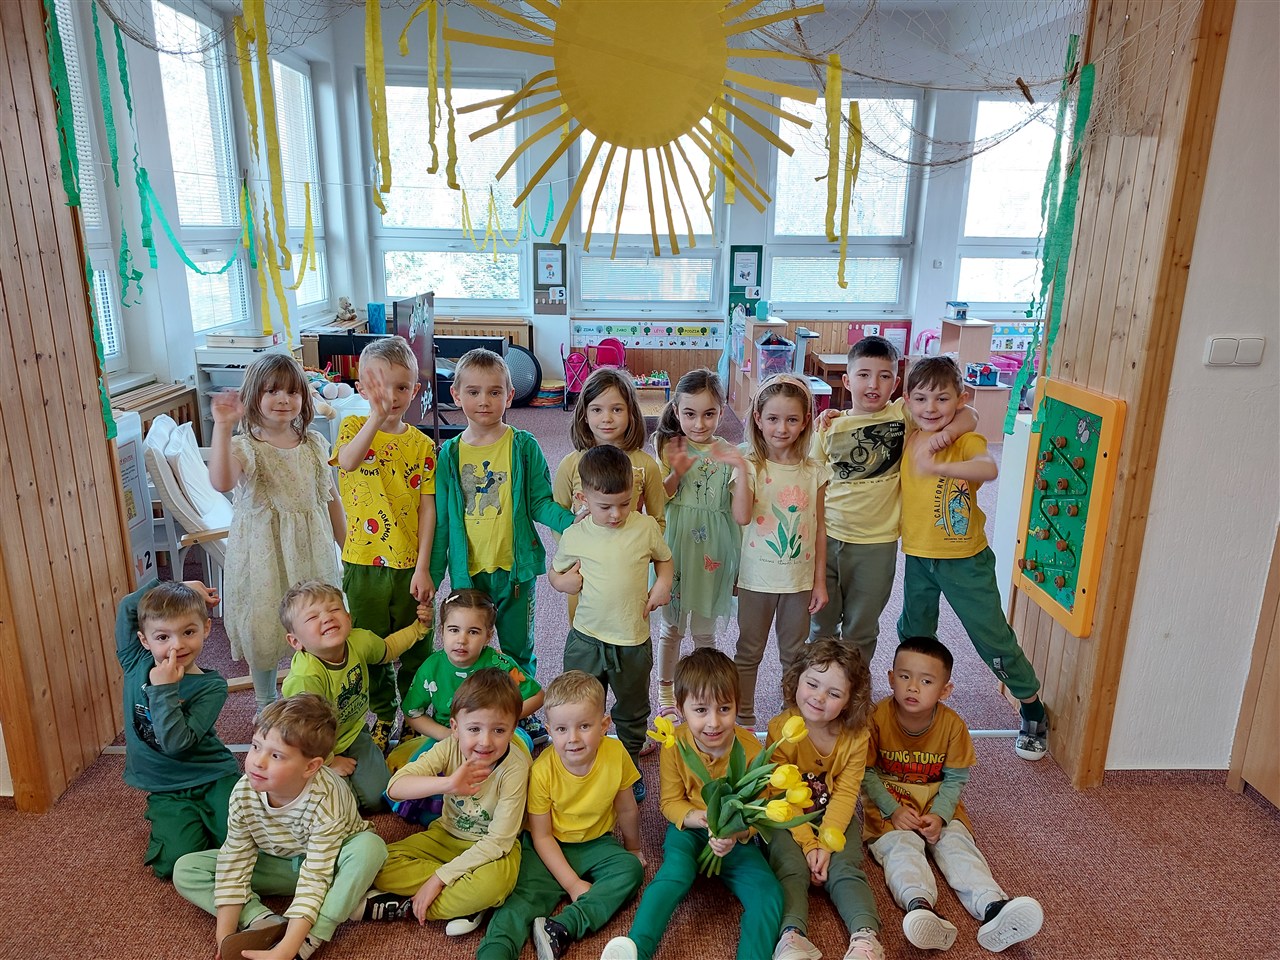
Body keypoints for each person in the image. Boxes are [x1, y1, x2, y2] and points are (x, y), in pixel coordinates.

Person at [897, 356, 1048, 759]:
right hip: (918, 557)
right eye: (921, 399)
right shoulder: (910, 429)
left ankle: (1032, 706)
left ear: (960, 398)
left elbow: (987, 467)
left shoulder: (963, 440)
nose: (931, 408)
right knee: (914, 633)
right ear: (908, 400)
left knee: (991, 636)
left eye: (943, 399)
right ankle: (916, 707)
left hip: (965, 560)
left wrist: (942, 460)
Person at [173, 693, 388, 960]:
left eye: (276, 755)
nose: (257, 761)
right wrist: (225, 938)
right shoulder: (244, 791)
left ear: (311, 767)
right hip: (280, 865)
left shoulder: (327, 797)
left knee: (371, 848)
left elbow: (315, 875)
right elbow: (235, 860)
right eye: (255, 746)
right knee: (186, 869)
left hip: (331, 863)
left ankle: (313, 933)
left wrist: (288, 949)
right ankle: (263, 919)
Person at [863, 637, 1044, 952]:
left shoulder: (953, 726)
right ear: (891, 678)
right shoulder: (875, 718)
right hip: (889, 810)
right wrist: (893, 809)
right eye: (904, 677)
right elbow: (864, 772)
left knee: (957, 847)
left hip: (938, 805)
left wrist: (940, 814)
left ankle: (993, 906)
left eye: (926, 681)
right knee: (901, 850)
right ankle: (920, 907)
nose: (913, 687)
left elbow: (956, 777)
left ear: (945, 690)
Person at [600, 648, 783, 960]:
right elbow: (670, 802)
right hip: (689, 829)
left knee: (769, 893)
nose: (714, 722)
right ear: (681, 708)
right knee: (673, 875)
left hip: (733, 838)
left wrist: (735, 833)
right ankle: (636, 949)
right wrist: (702, 818)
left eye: (724, 708)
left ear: (738, 705)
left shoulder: (752, 750)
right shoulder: (674, 743)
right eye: (700, 710)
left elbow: (759, 809)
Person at [430, 347, 575, 741]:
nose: (484, 401)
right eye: (473, 392)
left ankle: (521, 710)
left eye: (494, 392)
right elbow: (442, 523)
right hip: (468, 575)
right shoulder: (449, 454)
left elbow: (540, 502)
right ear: (456, 395)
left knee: (516, 647)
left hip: (515, 571)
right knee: (469, 645)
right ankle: (476, 712)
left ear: (510, 396)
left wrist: (575, 523)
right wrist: (432, 577)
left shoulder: (524, 446)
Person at [810, 336, 977, 667]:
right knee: (821, 625)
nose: (873, 384)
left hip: (876, 544)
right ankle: (817, 684)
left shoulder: (903, 414)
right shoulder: (829, 427)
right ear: (847, 380)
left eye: (884, 376)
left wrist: (948, 434)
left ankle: (854, 688)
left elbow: (969, 413)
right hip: (827, 539)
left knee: (860, 629)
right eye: (863, 375)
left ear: (897, 384)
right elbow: (812, 482)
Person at [208, 353, 345, 711]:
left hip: (311, 550)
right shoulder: (246, 447)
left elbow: (330, 497)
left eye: (292, 392)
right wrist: (222, 427)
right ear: (254, 396)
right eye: (272, 391)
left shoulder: (314, 444)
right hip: (264, 555)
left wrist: (346, 546)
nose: (283, 399)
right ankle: (265, 700)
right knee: (264, 625)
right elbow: (221, 481)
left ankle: (316, 692)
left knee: (316, 617)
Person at [476, 671, 645, 960]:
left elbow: (627, 808)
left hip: (596, 843)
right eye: (562, 729)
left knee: (630, 870)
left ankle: (562, 927)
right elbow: (541, 836)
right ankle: (495, 952)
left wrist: (633, 848)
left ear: (604, 725)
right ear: (549, 730)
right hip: (548, 846)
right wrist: (572, 884)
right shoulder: (542, 771)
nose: (573, 738)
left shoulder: (616, 753)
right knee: (521, 901)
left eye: (584, 726)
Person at [360, 668, 531, 935]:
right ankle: (465, 900)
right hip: (447, 835)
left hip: (493, 850)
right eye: (474, 729)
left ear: (512, 730)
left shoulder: (516, 768)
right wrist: (449, 784)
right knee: (378, 864)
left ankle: (405, 905)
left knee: (494, 885)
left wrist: (439, 878)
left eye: (499, 730)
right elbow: (394, 789)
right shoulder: (449, 747)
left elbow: (498, 842)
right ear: (455, 728)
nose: (485, 741)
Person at [549, 444, 673, 802]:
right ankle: (583, 767)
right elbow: (555, 573)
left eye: (625, 503)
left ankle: (629, 766)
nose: (617, 514)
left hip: (632, 639)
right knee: (580, 706)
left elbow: (664, 559)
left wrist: (663, 583)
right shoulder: (575, 535)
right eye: (605, 507)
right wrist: (563, 583)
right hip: (586, 639)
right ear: (583, 498)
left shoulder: (645, 527)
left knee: (633, 711)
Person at [332, 335, 437, 752]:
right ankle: (382, 713)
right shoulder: (352, 428)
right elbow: (347, 462)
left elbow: (427, 508)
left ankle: (415, 714)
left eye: (401, 387)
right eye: (380, 387)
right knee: (369, 645)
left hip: (409, 563)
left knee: (417, 641)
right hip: (363, 561)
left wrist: (424, 566)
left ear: (415, 390)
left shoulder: (423, 445)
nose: (391, 397)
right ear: (361, 388)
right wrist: (375, 418)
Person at [114, 578, 239, 881]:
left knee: (243, 845)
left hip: (212, 775)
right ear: (144, 640)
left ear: (206, 629)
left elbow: (177, 742)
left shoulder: (212, 686)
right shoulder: (135, 660)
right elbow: (128, 606)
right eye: (162, 636)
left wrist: (164, 689)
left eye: (188, 632)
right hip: (166, 787)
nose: (177, 645)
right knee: (174, 863)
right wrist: (177, 585)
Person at [766, 639, 883, 960]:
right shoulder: (781, 729)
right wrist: (808, 845)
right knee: (790, 868)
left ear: (849, 701)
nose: (818, 697)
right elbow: (780, 795)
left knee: (845, 869)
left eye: (834, 693)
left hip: (834, 815)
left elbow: (846, 793)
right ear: (796, 681)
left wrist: (827, 846)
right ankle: (791, 936)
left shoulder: (857, 735)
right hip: (788, 817)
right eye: (812, 684)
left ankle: (865, 937)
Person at [651, 369, 753, 717]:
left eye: (709, 414)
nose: (699, 423)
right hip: (677, 548)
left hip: (715, 551)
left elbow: (737, 512)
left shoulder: (730, 452)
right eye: (690, 414)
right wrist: (676, 472)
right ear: (676, 411)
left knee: (705, 632)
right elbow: (658, 500)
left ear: (721, 412)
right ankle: (666, 692)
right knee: (672, 627)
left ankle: (701, 693)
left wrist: (741, 468)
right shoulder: (669, 446)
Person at [278, 580, 431, 811]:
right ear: (295, 641)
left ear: (348, 618)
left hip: (353, 732)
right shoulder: (305, 678)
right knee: (338, 805)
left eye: (334, 609)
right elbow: (300, 732)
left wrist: (420, 628)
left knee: (380, 798)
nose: (327, 618)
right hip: (312, 747)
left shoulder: (359, 641)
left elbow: (388, 649)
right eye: (312, 617)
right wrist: (329, 761)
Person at [736, 374, 830, 728]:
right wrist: (741, 470)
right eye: (773, 418)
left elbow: (819, 529)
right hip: (756, 579)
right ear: (758, 419)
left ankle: (790, 715)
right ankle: (744, 717)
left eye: (792, 419)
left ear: (805, 421)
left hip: (798, 581)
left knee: (794, 654)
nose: (781, 428)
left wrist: (819, 581)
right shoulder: (750, 465)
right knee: (749, 651)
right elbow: (741, 516)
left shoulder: (814, 471)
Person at [391, 588, 545, 786]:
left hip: (492, 735)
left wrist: (502, 719)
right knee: (411, 776)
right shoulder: (431, 667)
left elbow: (537, 696)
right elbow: (413, 713)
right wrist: (447, 735)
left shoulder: (499, 664)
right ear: (442, 630)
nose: (462, 640)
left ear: (488, 636)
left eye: (473, 632)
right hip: (449, 736)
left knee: (517, 774)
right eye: (454, 630)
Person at [553, 366, 666, 531]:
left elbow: (658, 521)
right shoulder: (569, 465)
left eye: (617, 409)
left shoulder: (647, 466)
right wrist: (569, 545)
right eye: (597, 410)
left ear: (631, 413)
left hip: (631, 547)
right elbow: (558, 517)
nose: (607, 418)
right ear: (585, 414)